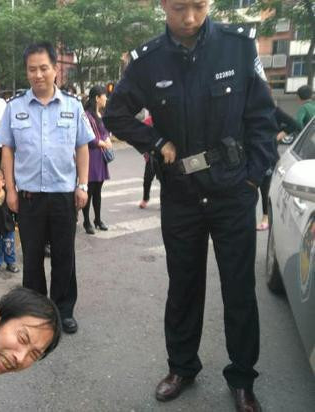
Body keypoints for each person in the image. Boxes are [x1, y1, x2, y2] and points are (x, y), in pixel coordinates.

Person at [102, 1, 277, 410]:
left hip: (233, 191)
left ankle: (242, 377)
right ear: (163, 4)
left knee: (239, 288)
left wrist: (252, 178)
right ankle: (181, 367)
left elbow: (263, 119)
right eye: (179, 7)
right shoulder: (147, 61)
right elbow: (116, 114)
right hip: (181, 192)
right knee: (183, 285)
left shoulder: (239, 47)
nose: (190, 17)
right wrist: (155, 142)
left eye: (198, 5)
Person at [0, 42, 95, 335]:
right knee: (32, 257)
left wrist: (83, 185)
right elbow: (7, 150)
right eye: (32, 69)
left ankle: (63, 310)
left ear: (55, 69)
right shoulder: (14, 107)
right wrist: (10, 190)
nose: (38, 74)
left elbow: (82, 147)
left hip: (64, 195)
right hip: (29, 198)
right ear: (26, 72)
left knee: (65, 256)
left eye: (43, 68)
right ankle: (35, 311)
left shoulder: (72, 106)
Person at [256, 107, 301, 231]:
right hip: (249, 156)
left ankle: (265, 218)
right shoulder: (246, 110)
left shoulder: (272, 110)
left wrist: (275, 138)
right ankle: (248, 220)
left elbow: (294, 124)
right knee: (248, 191)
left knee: (265, 189)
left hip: (268, 156)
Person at [82, 85, 111, 235]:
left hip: (100, 157)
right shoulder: (87, 115)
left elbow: (104, 131)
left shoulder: (100, 114)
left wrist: (107, 138)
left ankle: (97, 220)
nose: (106, 98)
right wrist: (101, 143)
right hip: (91, 157)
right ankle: (86, 221)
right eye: (104, 95)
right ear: (97, 98)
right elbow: (87, 137)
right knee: (89, 191)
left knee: (98, 191)